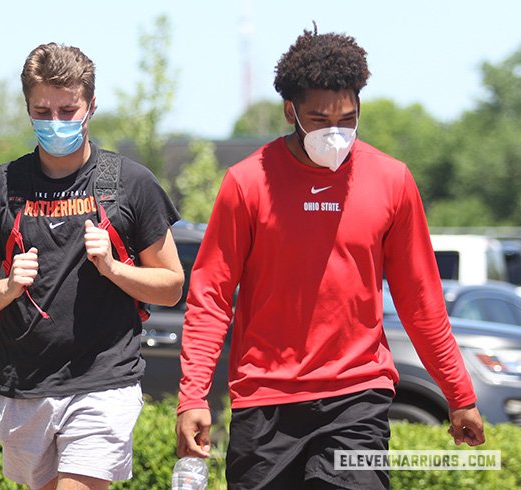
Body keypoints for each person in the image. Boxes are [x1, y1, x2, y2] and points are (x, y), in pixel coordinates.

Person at [175, 26, 485, 490]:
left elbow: (421, 300)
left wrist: (459, 393)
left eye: (347, 117)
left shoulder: (392, 181)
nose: (334, 132)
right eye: (319, 119)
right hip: (264, 399)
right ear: (290, 110)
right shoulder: (247, 183)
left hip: (357, 397)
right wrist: (192, 395)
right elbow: (211, 296)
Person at [0, 42, 184, 490]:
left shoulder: (127, 183)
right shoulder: (5, 185)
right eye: (42, 111)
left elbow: (171, 285)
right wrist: (7, 288)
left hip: (103, 380)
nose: (55, 122)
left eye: (68, 109)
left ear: (91, 106)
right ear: (27, 108)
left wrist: (115, 268)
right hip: (23, 385)